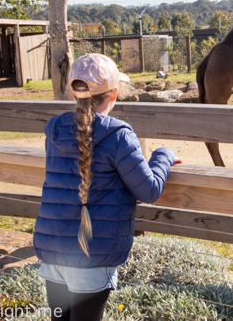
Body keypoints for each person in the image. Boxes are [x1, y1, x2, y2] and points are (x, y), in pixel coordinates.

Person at [33, 53, 181, 321]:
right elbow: (149, 191)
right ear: (114, 94)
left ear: (72, 92)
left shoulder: (54, 128)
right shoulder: (118, 135)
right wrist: (163, 155)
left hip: (53, 251)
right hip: (91, 255)